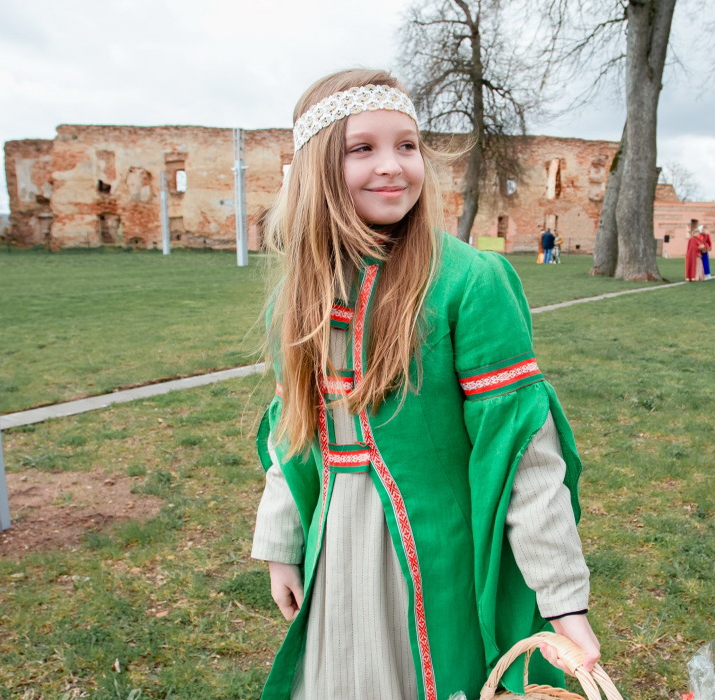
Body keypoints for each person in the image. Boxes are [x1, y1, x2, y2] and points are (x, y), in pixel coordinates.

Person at [251, 69, 598, 699]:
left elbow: (523, 454)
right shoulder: (299, 294)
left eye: (406, 145)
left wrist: (563, 601)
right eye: (363, 148)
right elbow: (292, 429)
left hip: (436, 551)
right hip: (335, 546)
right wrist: (281, 540)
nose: (392, 166)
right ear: (317, 169)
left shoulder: (470, 281)